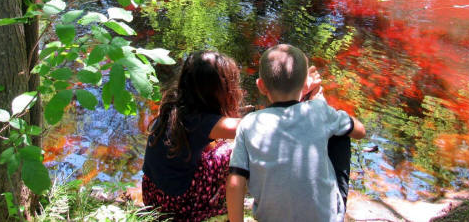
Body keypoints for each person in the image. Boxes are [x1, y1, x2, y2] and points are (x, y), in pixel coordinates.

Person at [226, 44, 366, 222]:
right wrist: (320, 104)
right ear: (305, 83)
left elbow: (235, 182)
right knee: (340, 132)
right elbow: (360, 131)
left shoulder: (249, 123)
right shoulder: (318, 110)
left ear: (261, 86)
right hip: (326, 218)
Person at [142, 50, 243, 221]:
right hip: (179, 206)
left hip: (153, 197)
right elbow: (250, 128)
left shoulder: (174, 107)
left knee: (213, 146)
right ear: (219, 91)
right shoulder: (201, 121)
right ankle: (220, 207)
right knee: (232, 151)